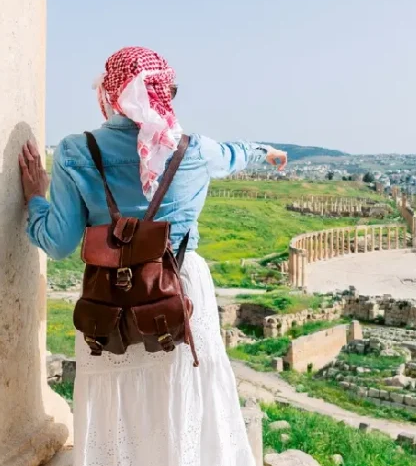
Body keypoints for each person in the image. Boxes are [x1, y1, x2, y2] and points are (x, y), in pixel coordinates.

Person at [18, 46, 287, 466]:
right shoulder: (193, 150)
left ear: (111, 92)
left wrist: (35, 199)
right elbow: (234, 154)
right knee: (184, 398)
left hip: (111, 296)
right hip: (178, 291)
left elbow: (57, 242)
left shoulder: (75, 151)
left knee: (120, 405)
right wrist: (266, 152)